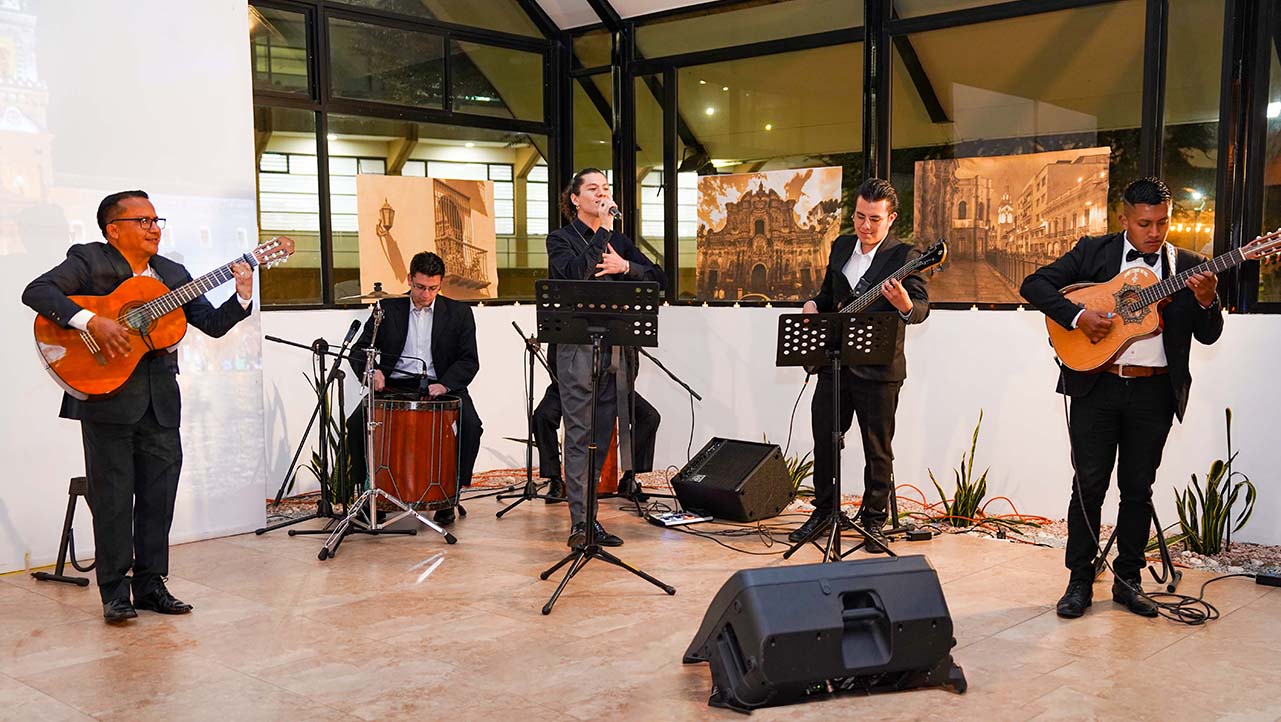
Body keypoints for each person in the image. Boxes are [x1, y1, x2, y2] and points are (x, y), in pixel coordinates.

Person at [22, 190, 271, 624]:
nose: (155, 227)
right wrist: (92, 320)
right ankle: (115, 593)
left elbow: (211, 325)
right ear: (113, 228)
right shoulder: (89, 260)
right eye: (144, 220)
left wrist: (243, 295)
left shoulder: (174, 273)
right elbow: (37, 291)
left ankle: (152, 584)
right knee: (114, 499)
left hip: (160, 403)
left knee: (159, 497)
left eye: (158, 220)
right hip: (105, 396)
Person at [1021, 177, 1223, 619]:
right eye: (1145, 223)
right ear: (1124, 218)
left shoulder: (1189, 265)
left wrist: (1207, 302)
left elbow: (1208, 336)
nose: (1155, 232)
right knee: (1088, 485)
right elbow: (1033, 285)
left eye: (1163, 223)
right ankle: (1078, 581)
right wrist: (1076, 316)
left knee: (1138, 489)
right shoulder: (1094, 252)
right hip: (1098, 386)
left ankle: (1128, 580)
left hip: (1155, 391)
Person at [789, 178, 930, 552]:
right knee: (825, 439)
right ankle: (823, 512)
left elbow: (920, 309)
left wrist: (902, 303)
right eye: (860, 216)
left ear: (891, 218)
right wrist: (812, 307)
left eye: (875, 219)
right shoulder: (840, 247)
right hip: (835, 364)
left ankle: (873, 520)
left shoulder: (905, 257)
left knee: (877, 448)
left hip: (879, 371)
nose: (865, 226)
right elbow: (826, 296)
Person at [547, 168, 667, 548]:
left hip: (617, 351)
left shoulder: (620, 242)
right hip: (576, 351)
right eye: (593, 189)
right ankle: (579, 526)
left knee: (601, 435)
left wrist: (625, 267)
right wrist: (601, 230)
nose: (602, 194)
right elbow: (573, 274)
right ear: (575, 199)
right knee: (580, 436)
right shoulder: (560, 239)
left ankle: (591, 518)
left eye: (606, 188)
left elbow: (659, 280)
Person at [346, 251, 482, 525]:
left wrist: (445, 384)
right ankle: (370, 497)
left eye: (433, 288)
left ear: (440, 284)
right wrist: (373, 372)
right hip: (395, 384)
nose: (426, 294)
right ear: (409, 280)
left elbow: (469, 360)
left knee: (471, 425)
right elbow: (360, 351)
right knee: (356, 424)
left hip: (440, 384)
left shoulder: (459, 313)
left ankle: (448, 495)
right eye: (420, 287)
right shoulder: (387, 310)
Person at [533, 345, 660, 504]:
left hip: (611, 388)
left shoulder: (619, 324)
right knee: (542, 416)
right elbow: (554, 360)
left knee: (649, 417)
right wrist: (569, 388)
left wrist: (620, 388)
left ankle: (629, 478)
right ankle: (555, 479)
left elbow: (631, 362)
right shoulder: (569, 323)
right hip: (570, 388)